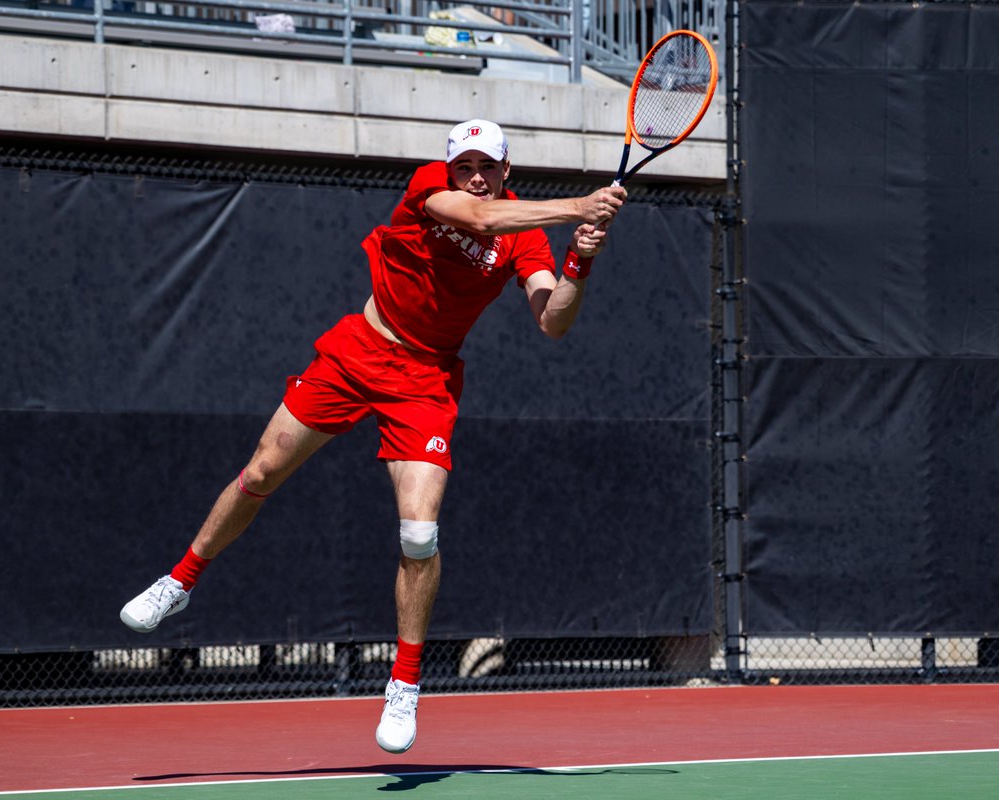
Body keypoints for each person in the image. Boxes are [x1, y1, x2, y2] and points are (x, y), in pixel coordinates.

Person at [118, 119, 627, 754]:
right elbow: (478, 218)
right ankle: (180, 582)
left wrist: (579, 261)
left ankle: (405, 685)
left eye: (486, 166)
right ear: (448, 171)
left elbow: (551, 322)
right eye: (463, 165)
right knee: (263, 470)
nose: (475, 175)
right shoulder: (430, 190)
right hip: (359, 349)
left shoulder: (525, 240)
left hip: (426, 382)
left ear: (506, 171)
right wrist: (579, 205)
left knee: (420, 531)